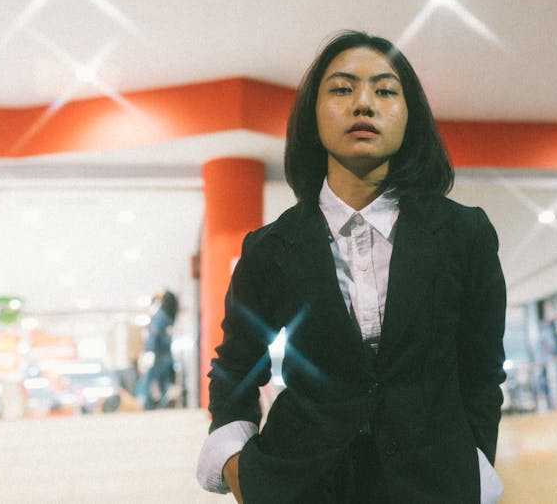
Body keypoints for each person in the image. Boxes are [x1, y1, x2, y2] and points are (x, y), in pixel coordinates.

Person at [196, 31, 507, 503]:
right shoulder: (271, 247)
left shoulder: (465, 234)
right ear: (313, 115)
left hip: (434, 485)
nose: (364, 103)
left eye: (384, 90)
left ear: (409, 116)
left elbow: (482, 371)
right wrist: (239, 468)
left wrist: (475, 462)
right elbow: (236, 367)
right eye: (342, 89)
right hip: (303, 484)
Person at [136, 289, 179, 409]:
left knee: (148, 380)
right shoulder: (170, 318)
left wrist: (148, 351)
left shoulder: (158, 316)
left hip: (156, 354)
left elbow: (153, 337)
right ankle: (166, 403)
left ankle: (147, 405)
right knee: (163, 381)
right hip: (167, 355)